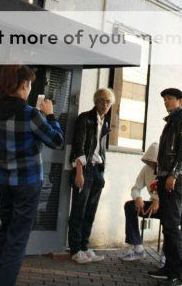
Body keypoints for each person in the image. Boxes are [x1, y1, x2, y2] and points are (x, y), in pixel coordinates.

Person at [0, 65, 63, 286]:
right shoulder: (31, 113)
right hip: (27, 183)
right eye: (29, 84)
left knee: (6, 232)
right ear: (23, 85)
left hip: (3, 181)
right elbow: (56, 141)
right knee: (18, 239)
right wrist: (50, 115)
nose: (29, 89)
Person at [148, 88, 182, 286]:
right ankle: (169, 268)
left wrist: (173, 174)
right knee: (167, 226)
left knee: (172, 227)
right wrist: (161, 175)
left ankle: (179, 274)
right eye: (165, 99)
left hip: (175, 178)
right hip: (165, 176)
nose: (166, 101)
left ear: (180, 101)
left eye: (170, 98)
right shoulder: (170, 122)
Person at [68, 87, 114, 264]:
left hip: (97, 171)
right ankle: (75, 250)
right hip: (85, 170)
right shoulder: (85, 118)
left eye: (108, 102)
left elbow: (100, 149)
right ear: (96, 101)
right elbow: (78, 146)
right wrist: (79, 173)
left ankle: (85, 247)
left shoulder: (105, 123)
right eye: (102, 101)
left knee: (90, 212)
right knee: (79, 210)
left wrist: (103, 170)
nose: (105, 105)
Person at [122, 141, 160, 261]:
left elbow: (173, 193)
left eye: (154, 162)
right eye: (149, 161)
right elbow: (136, 188)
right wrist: (137, 198)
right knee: (129, 206)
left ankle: (166, 256)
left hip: (166, 206)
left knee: (170, 217)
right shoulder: (146, 169)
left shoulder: (167, 170)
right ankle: (138, 248)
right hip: (151, 206)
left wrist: (159, 200)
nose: (151, 164)